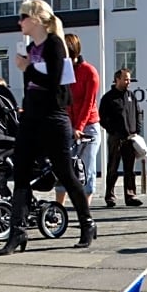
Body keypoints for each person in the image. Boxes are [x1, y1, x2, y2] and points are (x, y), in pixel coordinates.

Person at [0, 0, 96, 254]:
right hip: (31, 117)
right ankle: (17, 232)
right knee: (20, 172)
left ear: (36, 19)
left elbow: (54, 82)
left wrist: (27, 67)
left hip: (53, 117)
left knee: (65, 172)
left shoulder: (54, 44)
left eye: (23, 17)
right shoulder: (31, 48)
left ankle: (87, 223)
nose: (19, 22)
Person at [55, 34, 100, 209]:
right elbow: (62, 100)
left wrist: (79, 127)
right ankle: (58, 209)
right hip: (68, 124)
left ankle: (84, 211)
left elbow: (89, 102)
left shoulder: (89, 72)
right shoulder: (63, 72)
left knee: (86, 168)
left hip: (88, 126)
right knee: (62, 166)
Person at [99, 68, 143, 207]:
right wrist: (112, 131)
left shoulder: (131, 96)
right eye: (125, 79)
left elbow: (138, 113)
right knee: (112, 168)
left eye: (129, 79)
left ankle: (130, 196)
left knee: (130, 169)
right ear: (117, 79)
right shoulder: (108, 97)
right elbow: (102, 117)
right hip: (116, 138)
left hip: (130, 138)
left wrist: (138, 131)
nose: (128, 82)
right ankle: (110, 196)